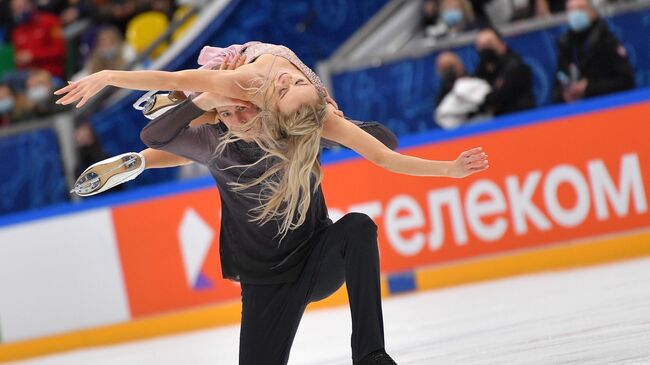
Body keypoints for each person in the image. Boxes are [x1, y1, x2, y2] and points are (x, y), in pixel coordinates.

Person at [56, 41, 490, 365]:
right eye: (296, 83)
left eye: (294, 86)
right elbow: (383, 151)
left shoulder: (259, 98)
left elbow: (386, 155)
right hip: (265, 281)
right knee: (218, 138)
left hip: (313, 256)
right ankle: (168, 127)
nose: (289, 79)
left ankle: (371, 357)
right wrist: (111, 77)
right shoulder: (261, 92)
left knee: (357, 226)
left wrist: (449, 170)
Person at [553, 0, 634, 103]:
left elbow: (626, 81)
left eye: (581, 9)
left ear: (593, 13)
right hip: (577, 112)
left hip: (608, 106)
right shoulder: (565, 45)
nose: (576, 14)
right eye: (571, 10)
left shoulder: (607, 42)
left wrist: (589, 88)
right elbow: (557, 87)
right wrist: (565, 94)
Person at [474, 27, 535, 116]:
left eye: (489, 45)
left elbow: (498, 97)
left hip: (522, 119)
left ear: (502, 44)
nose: (486, 51)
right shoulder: (480, 71)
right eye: (482, 47)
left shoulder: (516, 66)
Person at [9, 0, 66, 78]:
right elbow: (18, 61)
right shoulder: (17, 32)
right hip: (27, 74)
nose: (19, 11)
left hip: (50, 73)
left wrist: (33, 55)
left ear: (31, 5)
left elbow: (59, 51)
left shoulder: (50, 21)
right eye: (15, 9)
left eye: (21, 7)